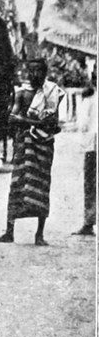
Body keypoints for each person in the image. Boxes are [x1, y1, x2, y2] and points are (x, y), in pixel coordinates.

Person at [0, 58, 65, 246]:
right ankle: (9, 232)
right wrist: (33, 122)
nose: (35, 74)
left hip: (44, 145)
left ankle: (39, 235)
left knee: (42, 186)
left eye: (39, 70)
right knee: (17, 184)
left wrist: (29, 122)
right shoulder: (21, 93)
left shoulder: (52, 93)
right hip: (24, 144)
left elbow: (54, 123)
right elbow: (12, 117)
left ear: (45, 72)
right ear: (27, 72)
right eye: (32, 70)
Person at [73, 72, 96, 236]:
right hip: (92, 143)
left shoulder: (88, 99)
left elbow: (82, 124)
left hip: (92, 145)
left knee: (91, 184)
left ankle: (89, 221)